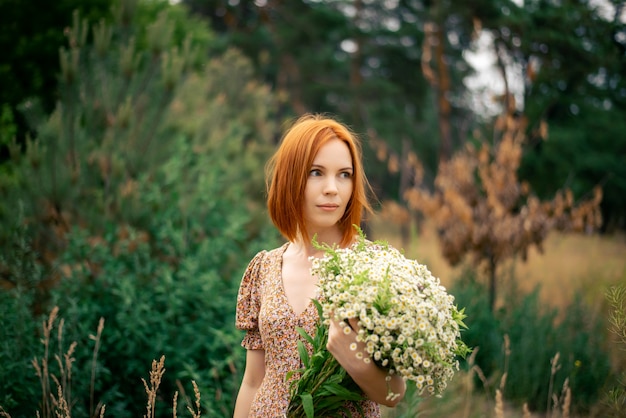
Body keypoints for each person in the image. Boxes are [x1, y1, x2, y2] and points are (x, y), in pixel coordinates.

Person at [233, 114, 407, 417]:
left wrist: (351, 357)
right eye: (316, 172)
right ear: (290, 177)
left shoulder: (373, 268)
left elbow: (393, 393)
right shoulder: (264, 267)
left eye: (344, 174)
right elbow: (253, 381)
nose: (332, 188)